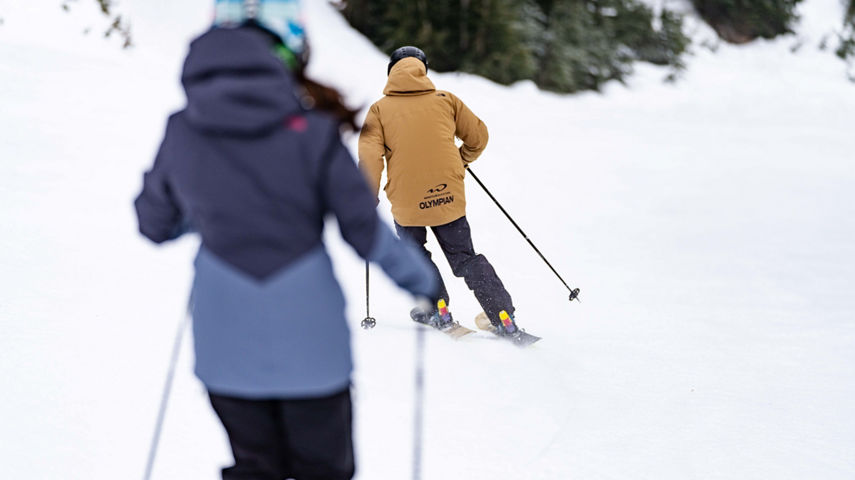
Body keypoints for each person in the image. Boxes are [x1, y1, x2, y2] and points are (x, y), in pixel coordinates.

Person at [134, 3, 437, 479]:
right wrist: (420, 279)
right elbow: (363, 229)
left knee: (256, 467)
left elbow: (154, 223)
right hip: (311, 348)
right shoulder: (313, 132)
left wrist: (211, 214)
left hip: (224, 346)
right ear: (292, 46)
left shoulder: (183, 129)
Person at [357, 46, 522, 337]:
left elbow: (370, 158)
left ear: (391, 71)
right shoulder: (446, 100)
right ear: (424, 69)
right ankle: (503, 316)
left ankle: (437, 310)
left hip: (407, 202)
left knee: (415, 254)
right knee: (465, 257)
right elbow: (478, 138)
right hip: (448, 196)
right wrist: (461, 159)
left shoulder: (379, 110)